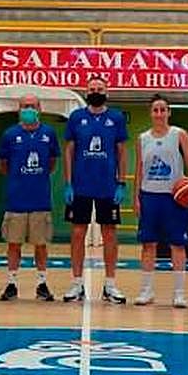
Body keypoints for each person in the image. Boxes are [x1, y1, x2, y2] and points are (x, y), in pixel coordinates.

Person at [132, 95, 188, 308]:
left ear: (169, 112)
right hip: (149, 196)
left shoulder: (179, 134)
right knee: (148, 244)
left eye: (163, 110)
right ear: (150, 113)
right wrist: (136, 197)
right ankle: (146, 291)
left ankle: (179, 294)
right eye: (156, 110)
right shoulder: (142, 138)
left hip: (173, 198)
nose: (159, 113)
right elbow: (139, 169)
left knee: (177, 244)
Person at [63, 76, 129, 303]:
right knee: (77, 232)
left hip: (107, 186)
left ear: (106, 92)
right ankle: (77, 283)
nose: (96, 92)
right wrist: (68, 182)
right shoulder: (76, 117)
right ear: (86, 92)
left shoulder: (116, 118)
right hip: (80, 186)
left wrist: (121, 182)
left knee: (109, 233)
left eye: (100, 88)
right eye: (92, 88)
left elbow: (122, 152)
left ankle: (110, 285)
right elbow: (69, 150)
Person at [0, 93, 60, 302]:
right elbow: (3, 165)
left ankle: (42, 284)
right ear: (19, 109)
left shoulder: (48, 133)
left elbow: (52, 163)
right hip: (16, 199)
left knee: (40, 244)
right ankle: (12, 283)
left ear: (39, 109)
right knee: (13, 244)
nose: (29, 110)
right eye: (25, 106)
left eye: (32, 106)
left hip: (40, 199)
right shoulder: (9, 134)